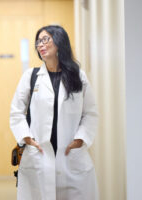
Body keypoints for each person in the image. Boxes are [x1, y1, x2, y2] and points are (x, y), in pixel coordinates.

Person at [10, 25, 99, 200]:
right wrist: (26, 137)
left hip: (71, 157)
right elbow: (16, 112)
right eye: (38, 41)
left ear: (60, 42)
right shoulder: (31, 76)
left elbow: (90, 113)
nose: (40, 45)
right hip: (38, 157)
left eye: (45, 39)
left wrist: (80, 139)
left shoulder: (78, 76)